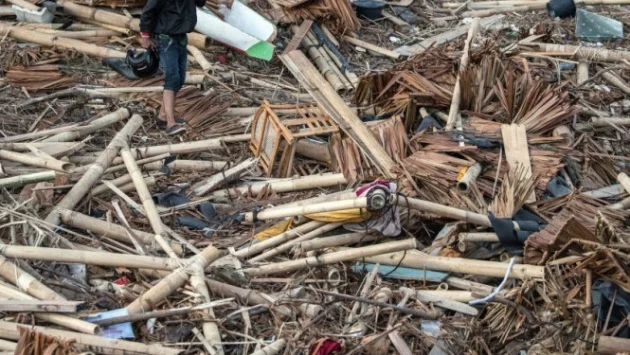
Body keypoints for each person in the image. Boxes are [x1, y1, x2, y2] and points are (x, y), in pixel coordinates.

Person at [139, 0, 206, 135]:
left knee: (180, 79)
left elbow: (201, 2)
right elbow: (148, 11)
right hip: (166, 38)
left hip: (181, 37)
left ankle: (163, 116)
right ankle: (170, 123)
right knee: (172, 78)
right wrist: (146, 36)